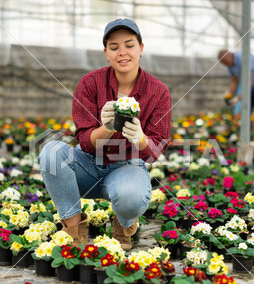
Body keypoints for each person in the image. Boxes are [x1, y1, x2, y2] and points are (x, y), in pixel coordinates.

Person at [39, 18, 171, 250]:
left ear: (141, 48)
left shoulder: (158, 91)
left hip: (127, 166)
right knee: (51, 152)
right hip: (87, 165)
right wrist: (107, 127)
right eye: (114, 47)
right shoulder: (90, 83)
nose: (123, 52)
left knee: (131, 196)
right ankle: (73, 232)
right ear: (106, 53)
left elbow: (155, 151)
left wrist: (140, 138)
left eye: (129, 45)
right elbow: (85, 143)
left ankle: (124, 224)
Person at [218, 50, 254, 144]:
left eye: (226, 62)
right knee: (246, 112)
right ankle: (246, 139)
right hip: (251, 86)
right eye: (224, 64)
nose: (226, 65)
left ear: (230, 56)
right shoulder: (229, 66)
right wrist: (227, 94)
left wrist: (238, 98)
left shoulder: (244, 58)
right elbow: (235, 82)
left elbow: (249, 82)